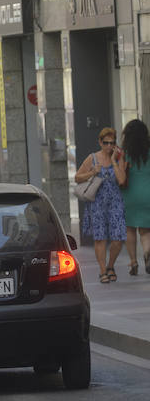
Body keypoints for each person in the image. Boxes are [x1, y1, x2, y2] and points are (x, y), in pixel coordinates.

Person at [75, 126, 127, 283]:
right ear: (100, 142)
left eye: (112, 143)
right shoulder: (93, 158)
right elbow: (77, 177)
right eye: (106, 143)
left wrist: (114, 161)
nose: (109, 146)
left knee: (118, 238)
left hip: (115, 203)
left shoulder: (118, 158)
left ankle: (111, 266)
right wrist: (92, 172)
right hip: (97, 203)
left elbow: (122, 180)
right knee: (100, 238)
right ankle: (103, 270)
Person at [119, 118, 150, 275]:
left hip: (129, 195)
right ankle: (147, 253)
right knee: (145, 231)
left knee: (129, 229)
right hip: (147, 195)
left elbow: (119, 176)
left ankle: (133, 263)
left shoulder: (124, 154)